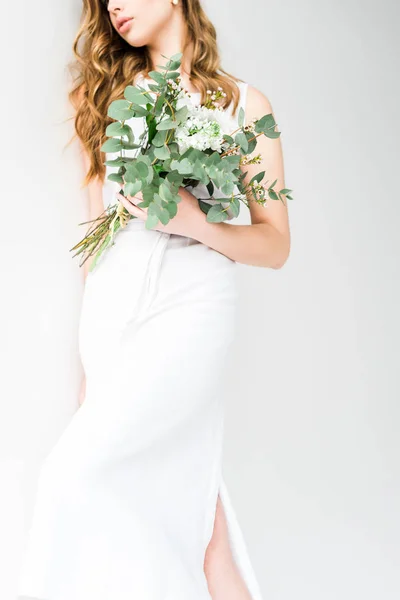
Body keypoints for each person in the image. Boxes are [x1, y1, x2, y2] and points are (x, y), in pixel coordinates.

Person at [17, 1, 290, 599]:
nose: (112, 5)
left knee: (72, 479)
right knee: (200, 516)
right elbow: (97, 235)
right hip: (115, 307)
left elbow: (275, 244)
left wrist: (196, 223)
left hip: (194, 304)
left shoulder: (245, 106)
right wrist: (88, 362)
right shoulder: (103, 97)